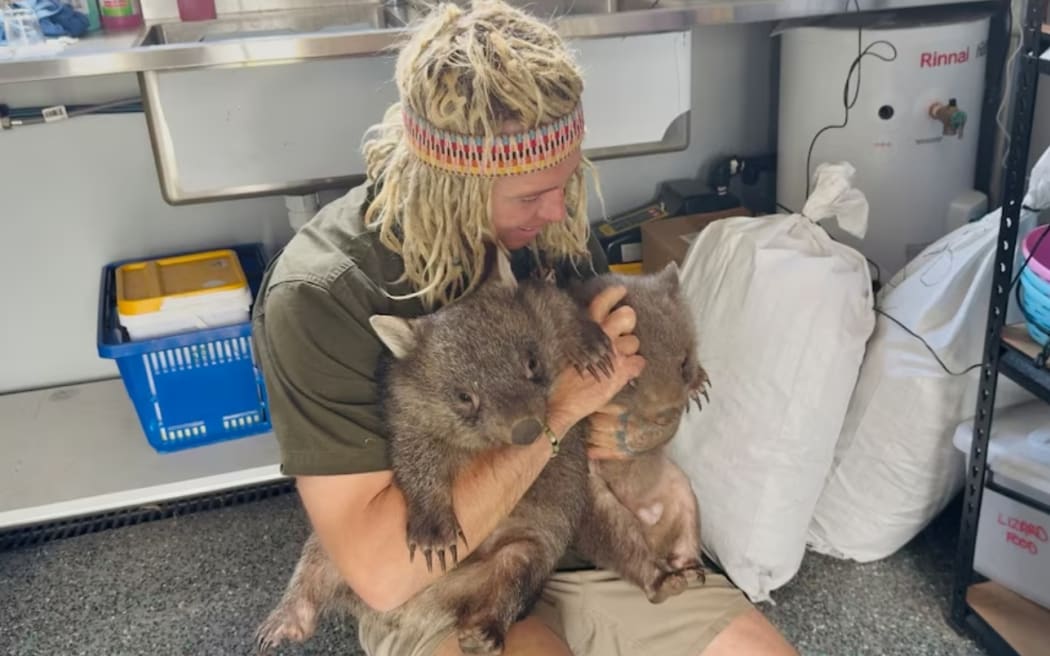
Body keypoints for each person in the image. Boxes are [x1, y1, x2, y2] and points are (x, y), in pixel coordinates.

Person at [251, 1, 799, 654]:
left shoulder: (544, 226)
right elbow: (383, 571)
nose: (557, 212)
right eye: (530, 197)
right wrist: (560, 411)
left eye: (566, 183)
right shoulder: (322, 295)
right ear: (450, 183)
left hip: (589, 534)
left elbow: (616, 392)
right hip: (449, 577)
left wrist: (634, 416)